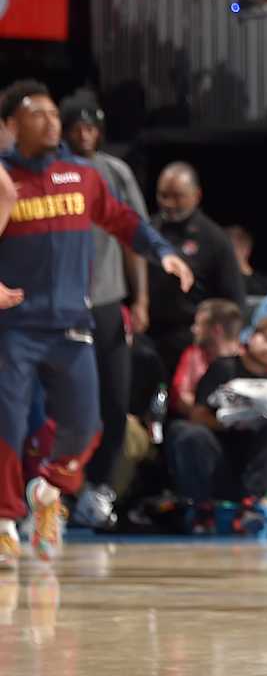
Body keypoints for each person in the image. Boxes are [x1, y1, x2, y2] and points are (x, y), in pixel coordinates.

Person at [0, 81, 192, 565]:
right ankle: (4, 521)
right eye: (35, 113)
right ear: (10, 125)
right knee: (7, 425)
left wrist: (163, 253)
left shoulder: (82, 176)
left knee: (88, 427)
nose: (49, 121)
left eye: (52, 112)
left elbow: (126, 222)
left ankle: (49, 489)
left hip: (71, 324)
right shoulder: (3, 179)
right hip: (14, 326)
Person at [59, 97, 150, 532]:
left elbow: (134, 240)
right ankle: (57, 489)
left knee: (114, 401)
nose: (84, 135)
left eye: (91, 127)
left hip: (109, 301)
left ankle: (99, 488)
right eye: (76, 127)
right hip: (60, 307)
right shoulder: (50, 172)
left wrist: (141, 300)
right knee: (65, 406)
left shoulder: (116, 173)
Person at [164, 316, 267, 527]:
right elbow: (198, 415)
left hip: (252, 461)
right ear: (253, 336)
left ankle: (255, 504)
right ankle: (201, 506)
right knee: (188, 433)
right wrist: (232, 422)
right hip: (217, 453)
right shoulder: (223, 368)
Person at [147, 162, 245, 376]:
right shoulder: (147, 231)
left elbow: (234, 301)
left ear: (196, 195)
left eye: (178, 196)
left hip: (191, 340)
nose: (169, 203)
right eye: (163, 195)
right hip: (148, 335)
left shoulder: (215, 239)